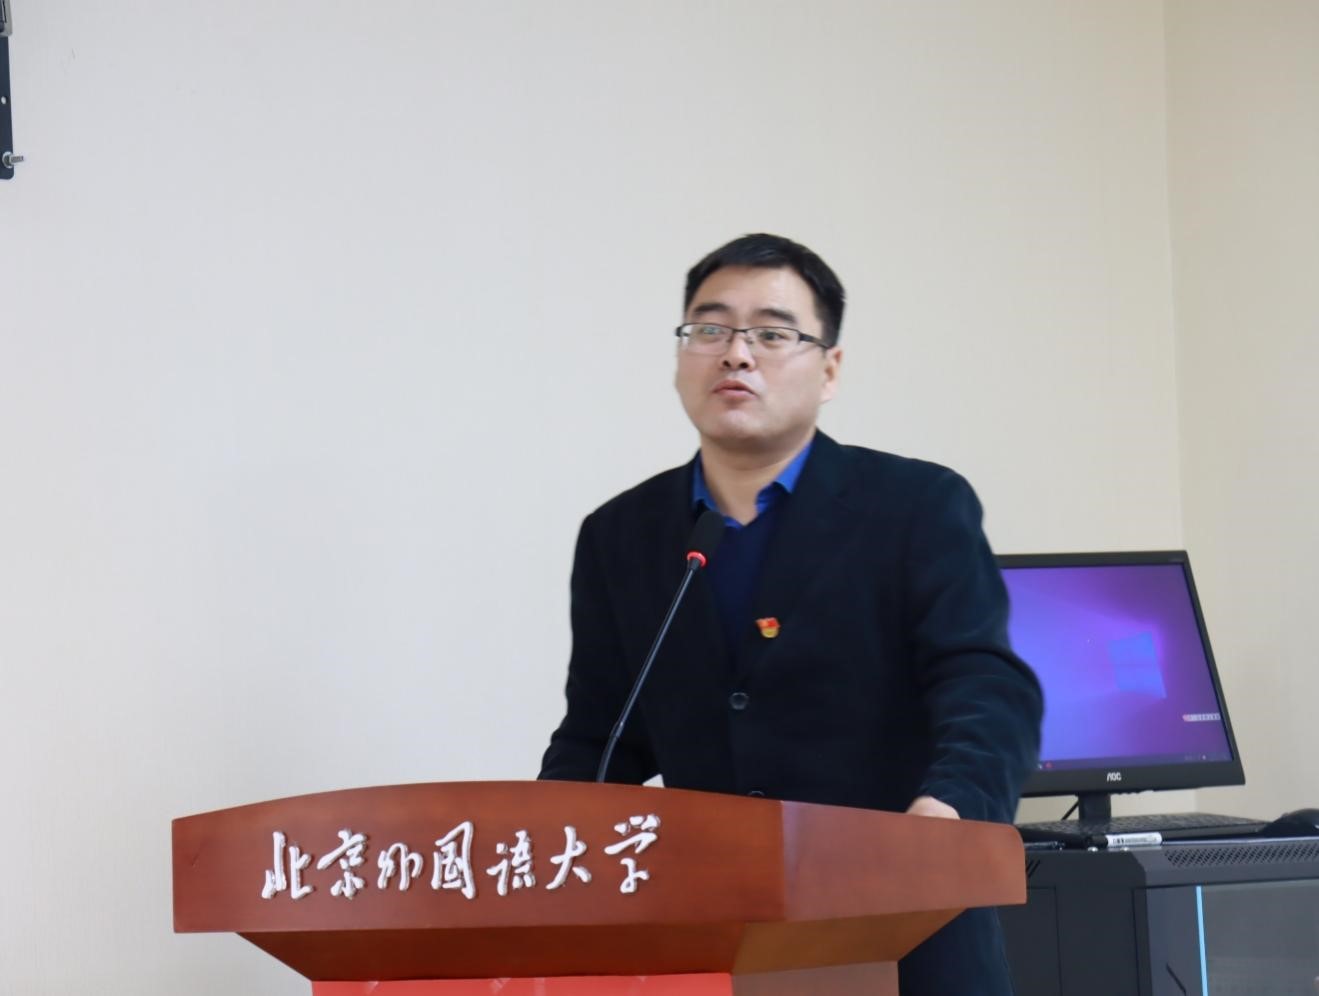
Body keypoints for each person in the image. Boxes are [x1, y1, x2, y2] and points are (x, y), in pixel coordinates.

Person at [539, 233, 1043, 994]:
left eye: (772, 334)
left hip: (902, 927)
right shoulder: (621, 534)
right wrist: (544, 852)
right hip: (716, 944)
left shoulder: (915, 506)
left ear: (829, 369)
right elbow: (599, 736)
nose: (736, 354)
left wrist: (946, 814)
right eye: (709, 329)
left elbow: (985, 685)